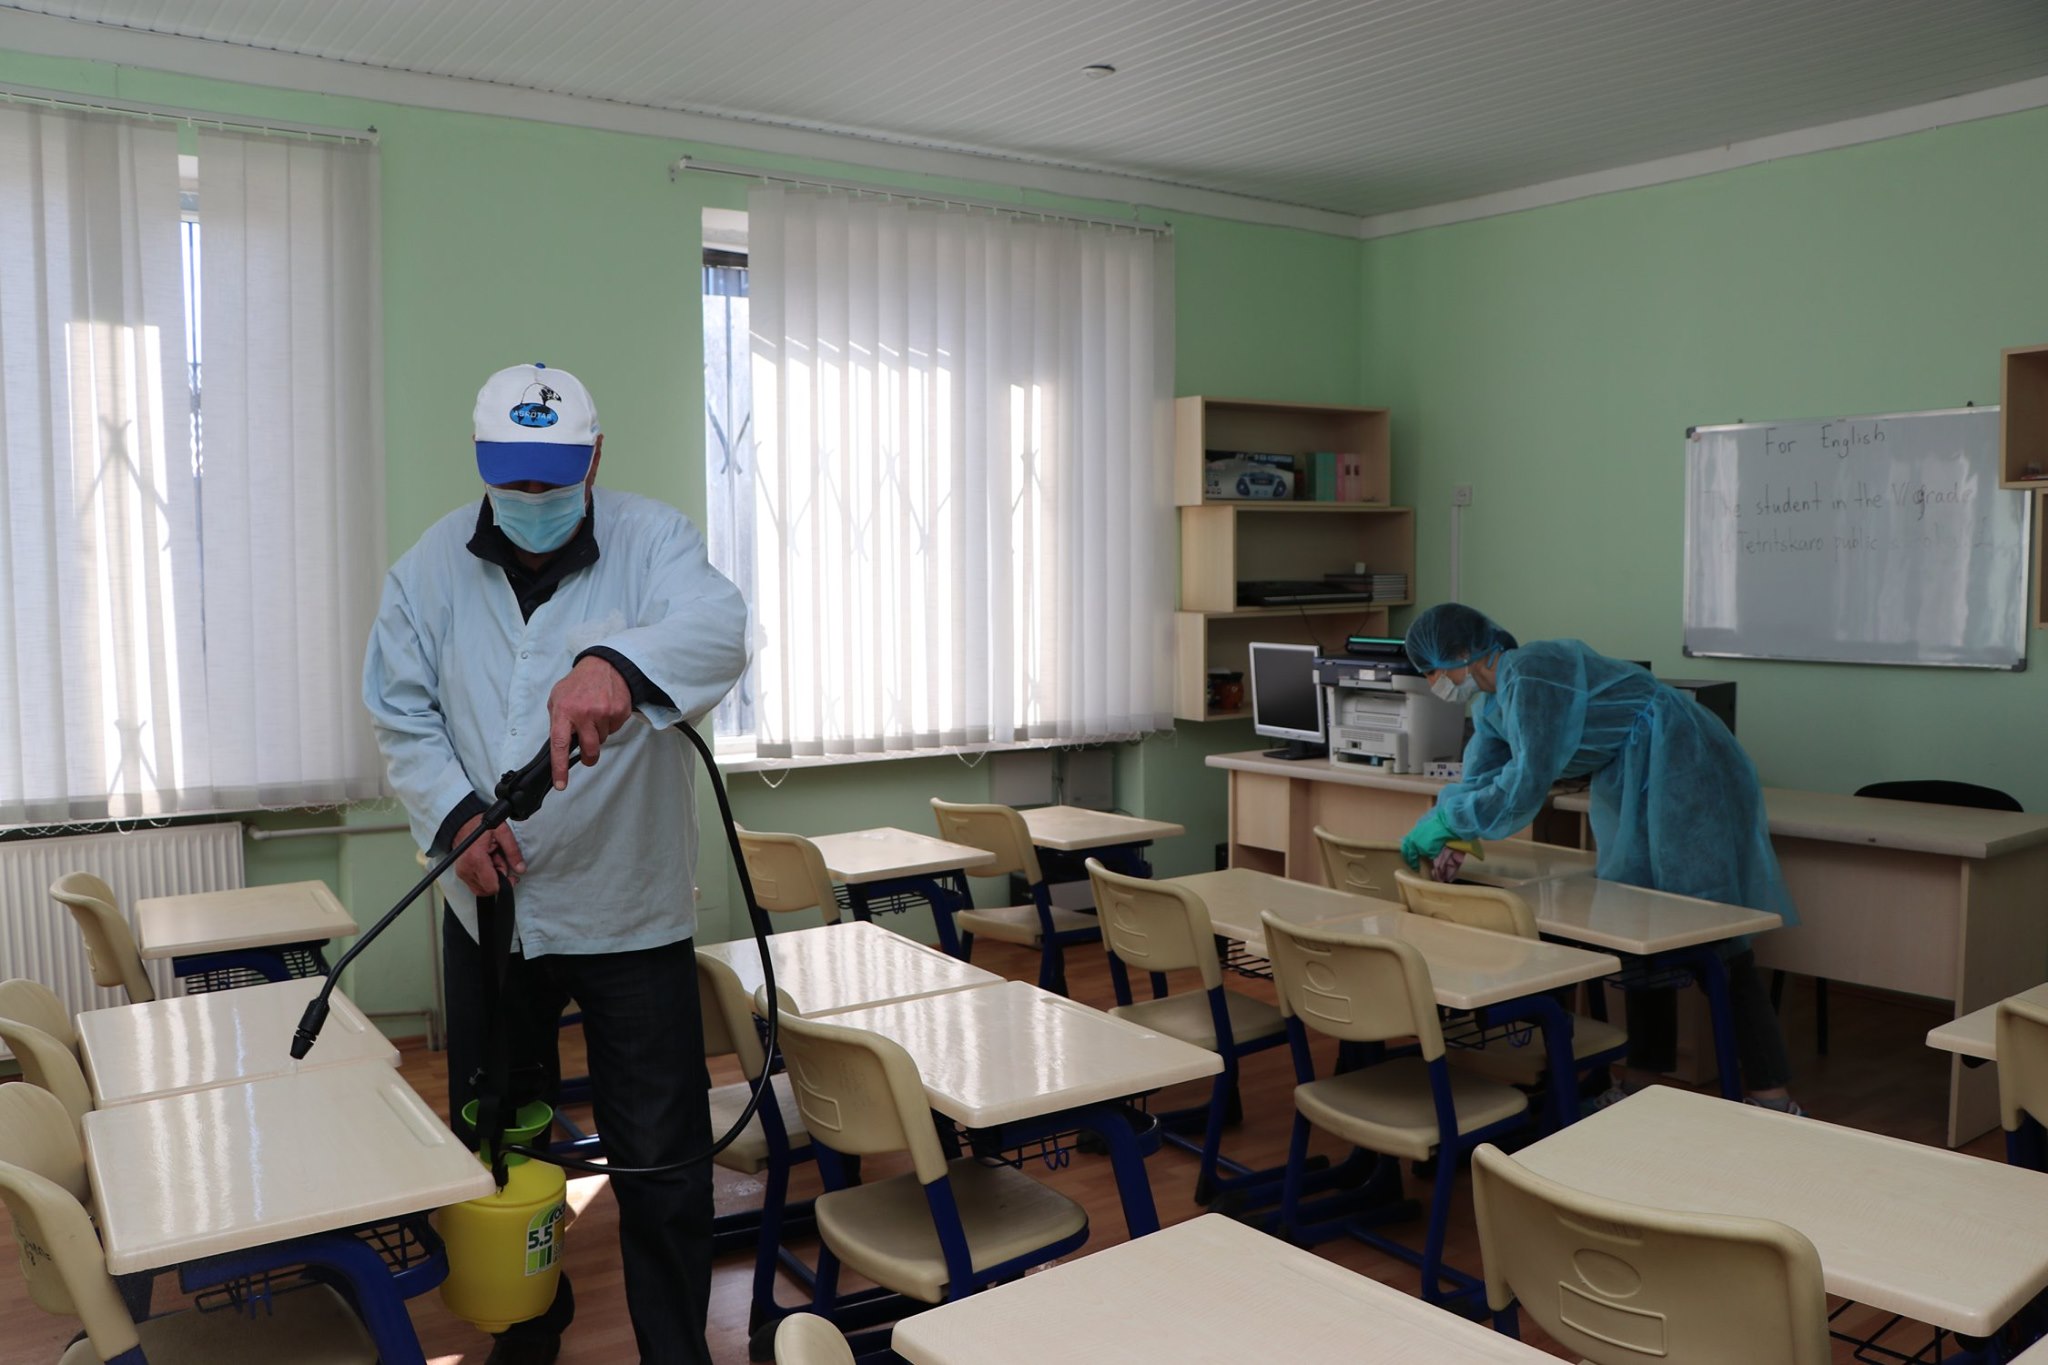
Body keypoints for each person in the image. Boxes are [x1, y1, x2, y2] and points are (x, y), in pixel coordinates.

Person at [363, 363, 749, 1364]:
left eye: (553, 475)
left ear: (595, 457)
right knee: (502, 1143)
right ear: (482, 461)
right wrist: (454, 816)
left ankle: (677, 1348)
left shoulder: (653, 542)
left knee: (661, 1160)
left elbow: (719, 629)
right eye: (513, 475)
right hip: (487, 906)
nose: (532, 496)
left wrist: (616, 663)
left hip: (631, 912)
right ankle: (528, 1331)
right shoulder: (427, 570)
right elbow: (400, 709)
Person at [1397, 602, 1802, 1114]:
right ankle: (1643, 1078)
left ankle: (1772, 1096)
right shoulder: (1491, 705)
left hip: (1686, 761)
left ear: (1461, 652)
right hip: (1631, 774)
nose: (1432, 681)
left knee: (1715, 930)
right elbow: (1481, 778)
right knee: (1637, 921)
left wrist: (1452, 822)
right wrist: (1455, 836)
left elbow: (1525, 784)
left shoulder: (1530, 673)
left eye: (1431, 669)